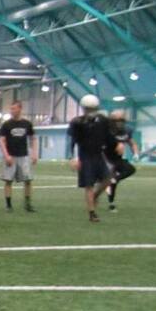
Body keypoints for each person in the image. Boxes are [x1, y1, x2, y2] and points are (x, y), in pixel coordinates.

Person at [68, 94, 114, 223]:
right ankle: (92, 213)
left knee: (107, 179)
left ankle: (94, 196)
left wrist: (118, 145)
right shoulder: (77, 122)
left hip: (99, 155)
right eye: (88, 109)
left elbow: (109, 138)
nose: (90, 111)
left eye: (92, 109)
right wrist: (74, 158)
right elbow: (73, 141)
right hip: (85, 156)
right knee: (89, 185)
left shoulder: (103, 121)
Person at [0, 100, 37, 213]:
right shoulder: (6, 124)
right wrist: (6, 155)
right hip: (11, 156)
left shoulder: (27, 124)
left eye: (14, 108)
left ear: (20, 109)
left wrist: (34, 153)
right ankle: (8, 205)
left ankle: (28, 204)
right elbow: (2, 141)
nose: (12, 111)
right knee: (8, 180)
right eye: (11, 109)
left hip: (23, 156)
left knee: (28, 180)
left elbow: (33, 139)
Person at [104, 108, 140, 212]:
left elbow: (132, 143)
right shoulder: (107, 130)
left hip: (117, 159)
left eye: (122, 121)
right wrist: (116, 144)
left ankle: (114, 179)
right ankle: (111, 203)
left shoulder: (127, 130)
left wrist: (136, 153)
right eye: (117, 121)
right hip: (106, 158)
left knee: (130, 169)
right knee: (111, 182)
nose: (120, 123)